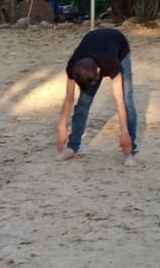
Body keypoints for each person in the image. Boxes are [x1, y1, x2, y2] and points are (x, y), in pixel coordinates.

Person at [57, 27, 139, 167]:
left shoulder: (111, 64)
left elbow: (119, 101)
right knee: (83, 102)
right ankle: (73, 147)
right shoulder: (73, 66)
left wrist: (124, 133)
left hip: (118, 45)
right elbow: (69, 98)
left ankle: (129, 151)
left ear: (99, 71)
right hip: (93, 47)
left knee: (127, 102)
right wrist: (62, 127)